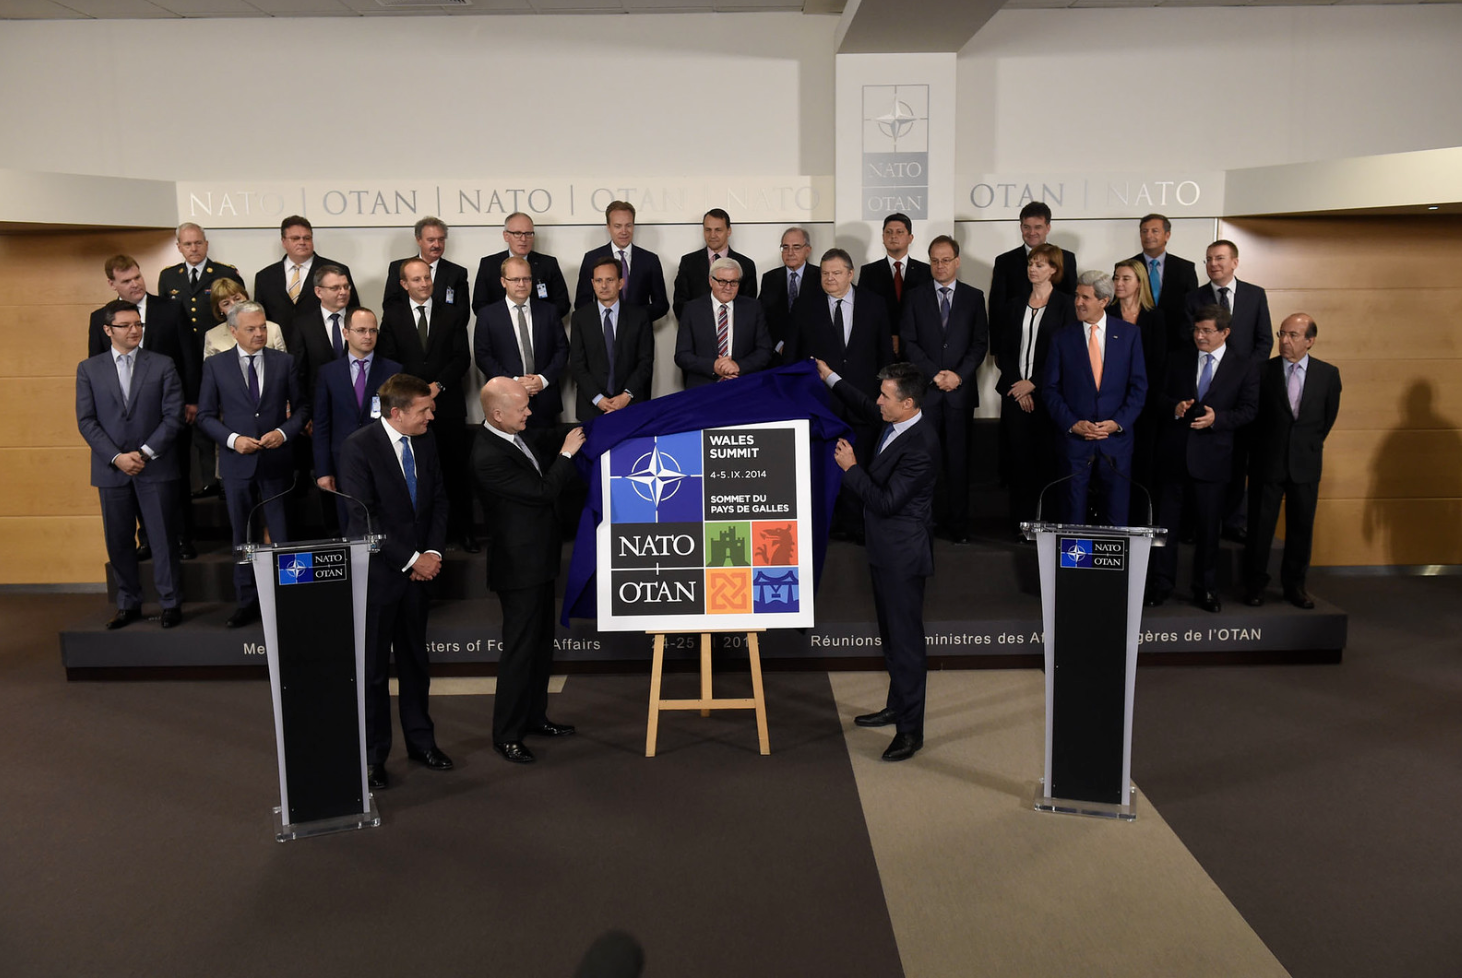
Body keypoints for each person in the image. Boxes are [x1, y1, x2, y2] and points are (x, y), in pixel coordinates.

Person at [815, 359, 937, 762]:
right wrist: (829, 376)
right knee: (891, 638)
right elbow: (866, 406)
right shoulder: (896, 418)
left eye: (886, 396)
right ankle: (895, 706)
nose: (878, 402)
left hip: (903, 558)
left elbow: (885, 502)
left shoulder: (921, 446)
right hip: (885, 552)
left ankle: (910, 731)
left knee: (906, 646)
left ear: (908, 403)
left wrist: (850, 469)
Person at [338, 373, 453, 791]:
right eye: (424, 410)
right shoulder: (358, 447)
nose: (432, 415)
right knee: (371, 673)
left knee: (415, 664)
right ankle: (373, 758)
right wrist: (411, 559)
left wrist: (434, 553)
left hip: (420, 574)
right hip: (379, 575)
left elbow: (439, 498)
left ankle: (422, 743)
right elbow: (363, 518)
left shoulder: (425, 440)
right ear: (397, 413)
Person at [470, 378, 586, 764]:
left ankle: (535, 717)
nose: (529, 413)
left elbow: (545, 441)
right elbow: (541, 492)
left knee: (539, 647)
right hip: (518, 570)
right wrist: (567, 456)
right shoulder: (488, 455)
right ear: (497, 414)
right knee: (519, 652)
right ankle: (507, 734)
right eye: (522, 408)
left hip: (538, 561)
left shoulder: (512, 435)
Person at [196, 301, 309, 628]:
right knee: (243, 537)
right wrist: (233, 439)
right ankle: (247, 601)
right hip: (236, 465)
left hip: (277, 462)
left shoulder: (284, 362)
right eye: (251, 329)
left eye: (262, 327)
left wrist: (282, 433)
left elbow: (302, 409)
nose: (259, 333)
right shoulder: (216, 366)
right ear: (233, 331)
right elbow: (204, 416)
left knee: (283, 536)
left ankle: (291, 600)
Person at [76, 300, 185, 630]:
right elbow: (87, 421)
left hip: (155, 465)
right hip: (112, 469)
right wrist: (117, 457)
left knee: (163, 538)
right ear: (108, 330)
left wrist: (145, 452)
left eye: (138, 324)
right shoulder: (89, 369)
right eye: (126, 325)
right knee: (119, 540)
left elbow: (173, 416)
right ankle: (128, 602)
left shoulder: (162, 364)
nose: (135, 330)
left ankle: (170, 603)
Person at [1146, 305, 1260, 613]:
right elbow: (1158, 398)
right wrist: (1175, 408)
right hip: (1174, 457)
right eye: (1197, 330)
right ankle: (1161, 584)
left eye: (1207, 331)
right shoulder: (1178, 358)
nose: (1199, 336)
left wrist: (1217, 419)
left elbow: (1249, 410)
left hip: (1213, 460)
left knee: (1209, 531)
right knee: (1165, 529)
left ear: (1225, 333)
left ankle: (1206, 589)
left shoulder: (1244, 366)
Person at [87, 255, 199, 561]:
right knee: (133, 479)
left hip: (168, 412)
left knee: (175, 475)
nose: (135, 283)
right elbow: (98, 369)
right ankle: (148, 538)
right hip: (123, 418)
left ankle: (182, 537)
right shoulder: (100, 318)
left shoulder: (170, 308)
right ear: (112, 284)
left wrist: (192, 400)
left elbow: (188, 355)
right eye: (126, 280)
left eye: (137, 276)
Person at [784, 248, 895, 541]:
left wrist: (882, 399)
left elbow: (885, 355)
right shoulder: (804, 306)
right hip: (821, 404)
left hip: (865, 402)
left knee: (862, 464)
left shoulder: (875, 304)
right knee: (823, 466)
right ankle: (827, 525)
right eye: (824, 273)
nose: (830, 279)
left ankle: (858, 524)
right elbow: (792, 357)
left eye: (836, 273)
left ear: (850, 273)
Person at [1243, 314, 1342, 609]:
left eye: (1293, 335)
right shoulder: (1261, 371)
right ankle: (1254, 585)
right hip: (1267, 462)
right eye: (1282, 334)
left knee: (1301, 529)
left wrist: (1305, 447)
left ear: (1310, 341)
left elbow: (1326, 419)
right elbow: (1253, 420)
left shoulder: (1328, 374)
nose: (1285, 341)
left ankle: (1295, 586)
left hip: (1305, 464)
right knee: (1260, 528)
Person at [378, 257, 476, 552]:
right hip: (408, 410)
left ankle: (465, 531)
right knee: (419, 474)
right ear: (404, 284)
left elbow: (462, 358)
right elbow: (389, 358)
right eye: (417, 279)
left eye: (427, 278)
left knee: (454, 471)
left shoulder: (452, 313)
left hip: (446, 405)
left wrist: (437, 387)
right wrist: (415, 394)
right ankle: (428, 537)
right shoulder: (393, 316)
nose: (424, 284)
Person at [899, 235, 988, 543]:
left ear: (957, 261)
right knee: (925, 463)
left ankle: (958, 528)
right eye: (935, 260)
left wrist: (958, 376)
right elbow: (908, 342)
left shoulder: (974, 297)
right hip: (928, 392)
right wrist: (935, 374)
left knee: (959, 464)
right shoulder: (915, 296)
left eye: (946, 260)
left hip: (959, 395)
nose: (939, 265)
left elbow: (979, 344)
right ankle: (927, 524)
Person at [1184, 239, 1273, 542]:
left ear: (1235, 262)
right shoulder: (1193, 298)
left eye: (1220, 258)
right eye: (1208, 259)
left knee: (1239, 459)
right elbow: (1190, 341)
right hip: (1206, 389)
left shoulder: (1255, 295)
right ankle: (1198, 522)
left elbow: (1264, 341)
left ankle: (1233, 521)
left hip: (1242, 390)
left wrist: (1243, 374)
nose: (1213, 264)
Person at [1042, 271, 1148, 527]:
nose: (1078, 302)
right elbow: (1050, 389)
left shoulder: (1129, 335)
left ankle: (1112, 567)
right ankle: (1073, 565)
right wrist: (1073, 423)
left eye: (1085, 297)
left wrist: (1117, 423)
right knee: (1072, 513)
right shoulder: (1062, 338)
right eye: (1077, 296)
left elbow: (1138, 387)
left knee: (1116, 513)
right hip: (1075, 442)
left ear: (1104, 300)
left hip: (1116, 442)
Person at [993, 243, 1076, 531]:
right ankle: (1021, 524)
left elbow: (1065, 354)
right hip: (1015, 394)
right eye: (1031, 263)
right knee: (1019, 462)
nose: (1033, 268)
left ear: (1054, 269)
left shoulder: (1066, 305)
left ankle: (1047, 523)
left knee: (1046, 461)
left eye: (1040, 264)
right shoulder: (1015, 304)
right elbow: (1003, 350)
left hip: (1048, 396)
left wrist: (1034, 384)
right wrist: (1020, 386)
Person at [198, 279, 288, 501]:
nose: (232, 305)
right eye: (225, 302)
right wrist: (233, 438)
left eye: (237, 299)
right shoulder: (214, 337)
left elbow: (286, 378)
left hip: (272, 427)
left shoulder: (272, 330)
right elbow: (210, 400)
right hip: (234, 425)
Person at [313, 307, 401, 529]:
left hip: (382, 459)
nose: (368, 336)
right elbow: (322, 425)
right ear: (345, 333)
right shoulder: (328, 373)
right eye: (361, 330)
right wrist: (323, 471)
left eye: (372, 330)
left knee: (384, 524)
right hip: (342, 461)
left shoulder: (393, 371)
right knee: (348, 523)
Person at [475, 256, 569, 428]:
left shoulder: (549, 311)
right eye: (515, 279)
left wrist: (543, 379)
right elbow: (483, 356)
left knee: (546, 452)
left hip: (545, 400)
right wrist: (514, 383)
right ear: (503, 282)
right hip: (505, 404)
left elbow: (562, 350)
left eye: (526, 279)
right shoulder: (487, 316)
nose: (521, 284)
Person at [1108, 259, 1167, 519]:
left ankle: (1140, 520)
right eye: (1116, 278)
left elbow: (1159, 362)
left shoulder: (1155, 317)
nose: (1119, 284)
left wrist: (1140, 398)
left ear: (1139, 283)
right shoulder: (1106, 314)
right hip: (1110, 404)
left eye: (1125, 279)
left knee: (1143, 464)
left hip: (1145, 404)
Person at [569, 256, 654, 422]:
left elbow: (645, 361)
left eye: (610, 280)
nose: (604, 285)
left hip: (630, 404)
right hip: (591, 406)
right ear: (593, 283)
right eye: (599, 280)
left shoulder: (640, 316)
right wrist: (598, 399)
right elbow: (577, 364)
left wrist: (626, 395)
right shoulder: (580, 317)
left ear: (620, 283)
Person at [673, 257, 774, 388]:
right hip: (703, 389)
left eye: (734, 282)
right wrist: (713, 366)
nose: (728, 287)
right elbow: (682, 355)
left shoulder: (753, 308)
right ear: (711, 281)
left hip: (743, 387)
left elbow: (764, 350)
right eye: (722, 281)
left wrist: (738, 366)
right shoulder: (692, 309)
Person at [252, 215, 360, 328]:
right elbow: (258, 317)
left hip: (323, 341)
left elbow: (353, 312)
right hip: (280, 343)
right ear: (284, 242)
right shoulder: (265, 277)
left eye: (307, 238)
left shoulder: (337, 270)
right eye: (295, 238)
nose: (302, 242)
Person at [574, 200, 669, 322]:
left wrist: (636, 318)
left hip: (639, 335)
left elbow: (661, 304)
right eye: (618, 226)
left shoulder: (650, 260)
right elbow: (582, 303)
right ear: (608, 227)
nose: (624, 231)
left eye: (628, 225)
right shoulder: (591, 259)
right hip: (603, 334)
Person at [471, 212, 571, 320]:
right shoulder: (489, 264)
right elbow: (479, 305)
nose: (523, 239)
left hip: (540, 328)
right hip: (501, 329)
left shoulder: (548, 264)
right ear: (506, 236)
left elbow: (562, 303)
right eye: (517, 233)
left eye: (528, 234)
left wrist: (537, 321)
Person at [988, 201, 1077, 319]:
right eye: (1026, 227)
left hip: (1055, 332)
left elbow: (1072, 301)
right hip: (1015, 332)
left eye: (1038, 227)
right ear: (1021, 227)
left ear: (1048, 228)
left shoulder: (1066, 258)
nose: (1032, 232)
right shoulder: (1004, 262)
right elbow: (996, 307)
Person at [157, 222, 243, 338]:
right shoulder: (168, 276)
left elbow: (241, 311)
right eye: (188, 244)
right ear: (179, 247)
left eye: (198, 243)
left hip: (220, 341)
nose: (194, 249)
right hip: (183, 344)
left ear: (206, 244)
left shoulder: (226, 273)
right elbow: (165, 314)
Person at [858, 213, 931, 350]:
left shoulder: (926, 272)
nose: (893, 236)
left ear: (910, 238)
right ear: (883, 237)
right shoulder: (869, 272)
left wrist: (905, 339)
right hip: (881, 346)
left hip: (918, 348)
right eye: (888, 232)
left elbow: (929, 315)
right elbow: (865, 313)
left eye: (899, 232)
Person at [672, 208, 759, 320]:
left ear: (729, 231)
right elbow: (680, 304)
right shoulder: (688, 263)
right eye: (708, 230)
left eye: (718, 230)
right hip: (697, 332)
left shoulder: (746, 265)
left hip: (734, 332)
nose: (712, 235)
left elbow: (748, 306)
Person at [1130, 213, 1197, 351]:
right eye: (1144, 231)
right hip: (1138, 341)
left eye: (1155, 231)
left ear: (1167, 235)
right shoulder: (1127, 267)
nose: (1148, 235)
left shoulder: (1185, 268)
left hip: (1175, 343)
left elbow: (1192, 307)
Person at [382, 216, 470, 314]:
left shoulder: (457, 273)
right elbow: (390, 306)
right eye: (431, 240)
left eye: (441, 239)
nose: (437, 245)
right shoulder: (398, 268)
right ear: (419, 240)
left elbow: (462, 312)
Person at [290, 264, 356, 393]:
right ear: (318, 292)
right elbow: (299, 371)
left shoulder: (360, 320)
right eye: (335, 288)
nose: (343, 292)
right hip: (318, 402)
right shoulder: (303, 325)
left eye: (346, 287)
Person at [759, 227, 817, 359]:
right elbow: (762, 318)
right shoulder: (769, 278)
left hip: (813, 355)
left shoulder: (820, 277)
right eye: (785, 247)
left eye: (796, 247)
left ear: (807, 250)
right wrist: (778, 345)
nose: (790, 252)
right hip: (777, 354)